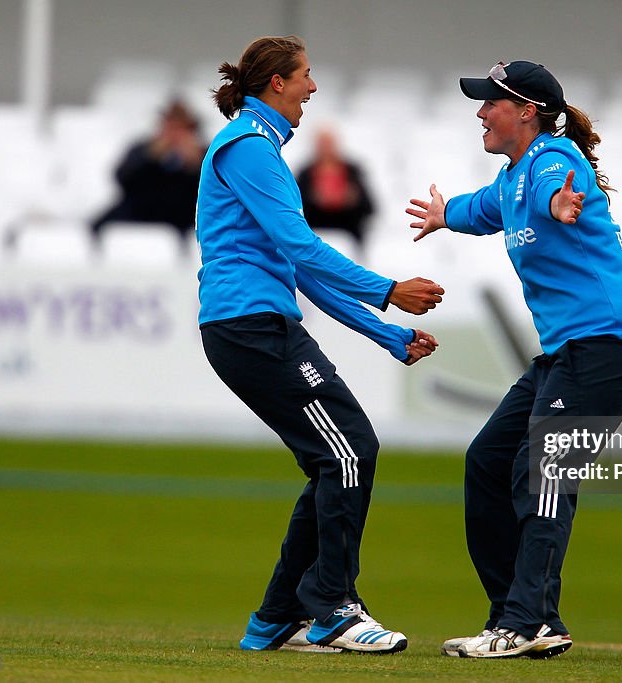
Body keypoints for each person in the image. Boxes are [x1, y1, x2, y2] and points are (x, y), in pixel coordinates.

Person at [196, 35, 445, 655]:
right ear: (276, 83)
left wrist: (387, 334)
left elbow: (301, 270)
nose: (313, 86)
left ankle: (276, 619)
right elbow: (305, 250)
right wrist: (388, 290)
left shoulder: (257, 148)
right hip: (251, 328)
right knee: (351, 449)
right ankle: (333, 607)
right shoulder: (250, 148)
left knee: (336, 458)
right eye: (306, 75)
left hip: (255, 326)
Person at [407, 60, 622, 659]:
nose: (479, 112)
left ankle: (529, 623)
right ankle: (515, 618)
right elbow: (483, 208)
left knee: (541, 469)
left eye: (490, 103)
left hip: (610, 343)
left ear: (526, 111)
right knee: (488, 464)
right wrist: (445, 216)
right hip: (568, 351)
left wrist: (561, 209)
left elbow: (552, 192)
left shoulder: (553, 160)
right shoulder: (514, 177)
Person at [90, 99, 206, 243]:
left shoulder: (206, 154)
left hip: (185, 211)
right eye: (170, 128)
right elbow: (122, 178)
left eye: (180, 129)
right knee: (98, 224)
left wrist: (195, 164)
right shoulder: (143, 149)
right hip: (143, 208)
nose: (175, 135)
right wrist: (150, 157)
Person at [295, 126, 375, 252]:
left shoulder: (353, 171)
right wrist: (313, 199)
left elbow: (370, 208)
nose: (326, 149)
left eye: (329, 144)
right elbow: (295, 207)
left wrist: (352, 200)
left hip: (348, 229)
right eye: (322, 144)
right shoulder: (305, 173)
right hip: (313, 230)